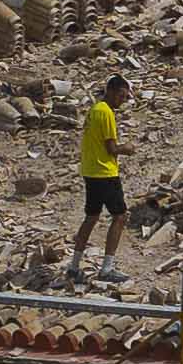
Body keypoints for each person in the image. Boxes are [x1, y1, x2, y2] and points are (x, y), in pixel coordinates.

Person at [60, 72, 132, 282]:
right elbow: (111, 148)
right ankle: (107, 268)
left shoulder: (94, 110)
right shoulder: (106, 112)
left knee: (91, 217)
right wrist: (126, 148)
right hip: (105, 172)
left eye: (124, 97)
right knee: (120, 216)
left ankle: (74, 266)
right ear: (109, 91)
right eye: (120, 95)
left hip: (90, 172)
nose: (121, 100)